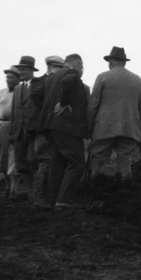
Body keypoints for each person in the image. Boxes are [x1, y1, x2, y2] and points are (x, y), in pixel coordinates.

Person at [31, 54, 90, 210]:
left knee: (57, 163)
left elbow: (35, 94)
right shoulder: (72, 73)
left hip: (50, 128)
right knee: (77, 163)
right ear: (77, 63)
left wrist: (49, 108)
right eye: (82, 66)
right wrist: (63, 103)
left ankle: (54, 201)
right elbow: (69, 82)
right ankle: (65, 199)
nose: (82, 70)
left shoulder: (50, 78)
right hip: (67, 127)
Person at [87, 46, 141, 190]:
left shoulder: (103, 77)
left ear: (112, 61)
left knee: (97, 159)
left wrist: (89, 128)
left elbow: (92, 106)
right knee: (125, 161)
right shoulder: (137, 79)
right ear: (124, 62)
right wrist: (137, 126)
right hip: (128, 128)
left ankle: (89, 192)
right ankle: (125, 195)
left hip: (103, 128)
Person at [29, 55, 66, 208]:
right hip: (43, 128)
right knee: (45, 159)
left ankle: (46, 196)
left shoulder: (53, 81)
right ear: (50, 67)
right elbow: (35, 96)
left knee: (50, 160)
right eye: (58, 68)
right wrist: (49, 109)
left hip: (51, 127)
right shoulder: (40, 81)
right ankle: (41, 197)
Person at [9, 55, 41, 200]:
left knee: (33, 161)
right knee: (22, 164)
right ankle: (31, 193)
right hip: (18, 133)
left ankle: (41, 192)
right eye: (19, 69)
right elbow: (14, 112)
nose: (20, 72)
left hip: (33, 131)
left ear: (31, 70)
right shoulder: (16, 89)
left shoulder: (39, 85)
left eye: (23, 70)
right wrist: (12, 133)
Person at [0, 66, 20, 196]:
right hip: (2, 126)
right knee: (2, 157)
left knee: (14, 157)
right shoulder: (1, 92)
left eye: (10, 78)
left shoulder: (21, 92)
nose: (8, 80)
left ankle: (14, 189)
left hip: (15, 125)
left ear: (18, 79)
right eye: (7, 78)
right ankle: (6, 186)